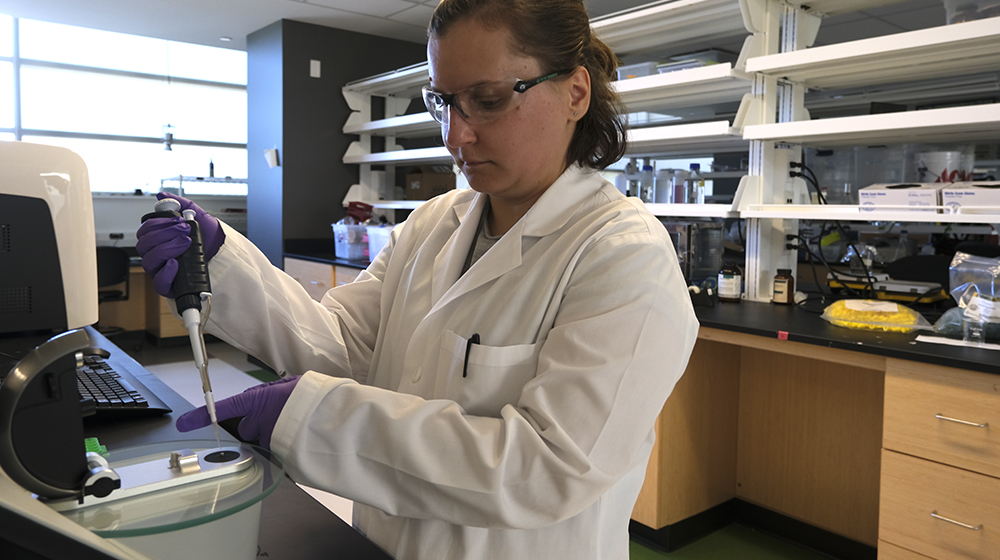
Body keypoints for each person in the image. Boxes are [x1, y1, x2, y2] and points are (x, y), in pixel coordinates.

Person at [135, 0, 699, 558]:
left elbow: (547, 469)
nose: (456, 138)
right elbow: (344, 346)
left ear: (575, 92)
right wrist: (224, 264)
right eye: (444, 103)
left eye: (489, 100)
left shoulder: (623, 255)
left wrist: (316, 420)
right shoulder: (434, 222)